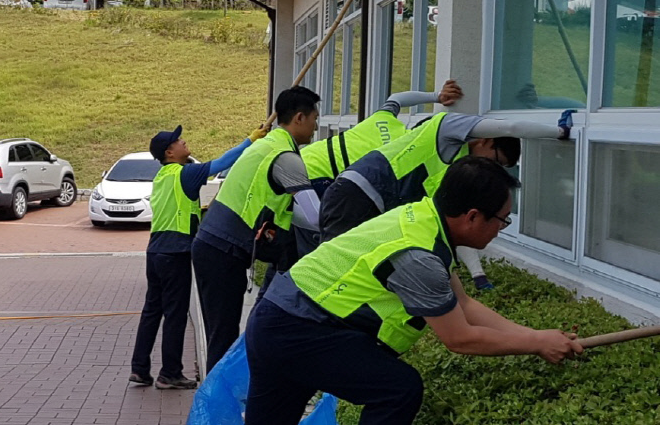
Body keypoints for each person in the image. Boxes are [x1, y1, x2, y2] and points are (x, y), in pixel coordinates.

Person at [244, 156, 583, 424]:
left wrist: (538, 337)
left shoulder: (423, 220)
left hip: (278, 318)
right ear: (473, 217)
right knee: (398, 390)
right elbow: (460, 338)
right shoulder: (419, 257)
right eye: (502, 220)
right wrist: (536, 343)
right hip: (298, 329)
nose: (501, 230)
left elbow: (463, 305)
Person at [318, 109, 574, 289]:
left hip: (375, 208)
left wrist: (478, 276)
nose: (492, 170)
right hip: (357, 195)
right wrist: (559, 132)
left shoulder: (457, 172)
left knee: (356, 278)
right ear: (486, 140)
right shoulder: (447, 128)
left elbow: (460, 229)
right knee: (332, 272)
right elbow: (512, 128)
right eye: (496, 162)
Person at [191, 86, 321, 373]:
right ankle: (215, 408)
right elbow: (314, 216)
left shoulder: (267, 145)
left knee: (221, 333)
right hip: (222, 249)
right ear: (299, 118)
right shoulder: (286, 158)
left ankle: (220, 398)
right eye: (314, 119)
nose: (315, 127)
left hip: (215, 246)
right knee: (222, 337)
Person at [129, 123, 267, 389]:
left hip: (155, 250)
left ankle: (139, 368)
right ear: (169, 152)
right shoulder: (186, 173)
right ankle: (169, 373)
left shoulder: (162, 176)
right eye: (178, 141)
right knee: (176, 314)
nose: (184, 142)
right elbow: (223, 163)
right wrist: (250, 139)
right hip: (176, 251)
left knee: (152, 311)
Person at [293, 80, 464, 258]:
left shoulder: (384, 119)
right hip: (318, 182)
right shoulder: (402, 155)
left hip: (301, 163)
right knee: (321, 254)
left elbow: (397, 98)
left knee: (290, 252)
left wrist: (437, 96)